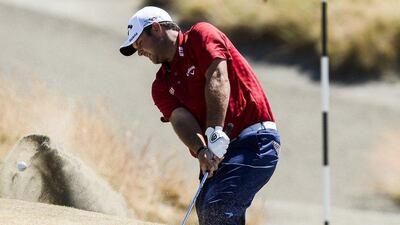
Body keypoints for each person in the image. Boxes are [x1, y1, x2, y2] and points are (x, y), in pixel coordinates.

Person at [119, 6, 280, 225]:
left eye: (139, 43)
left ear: (156, 29)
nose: (139, 51)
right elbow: (180, 118)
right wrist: (202, 150)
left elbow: (217, 77)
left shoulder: (201, 36)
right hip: (219, 153)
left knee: (217, 207)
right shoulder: (161, 86)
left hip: (255, 140)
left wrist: (215, 131)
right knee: (206, 208)